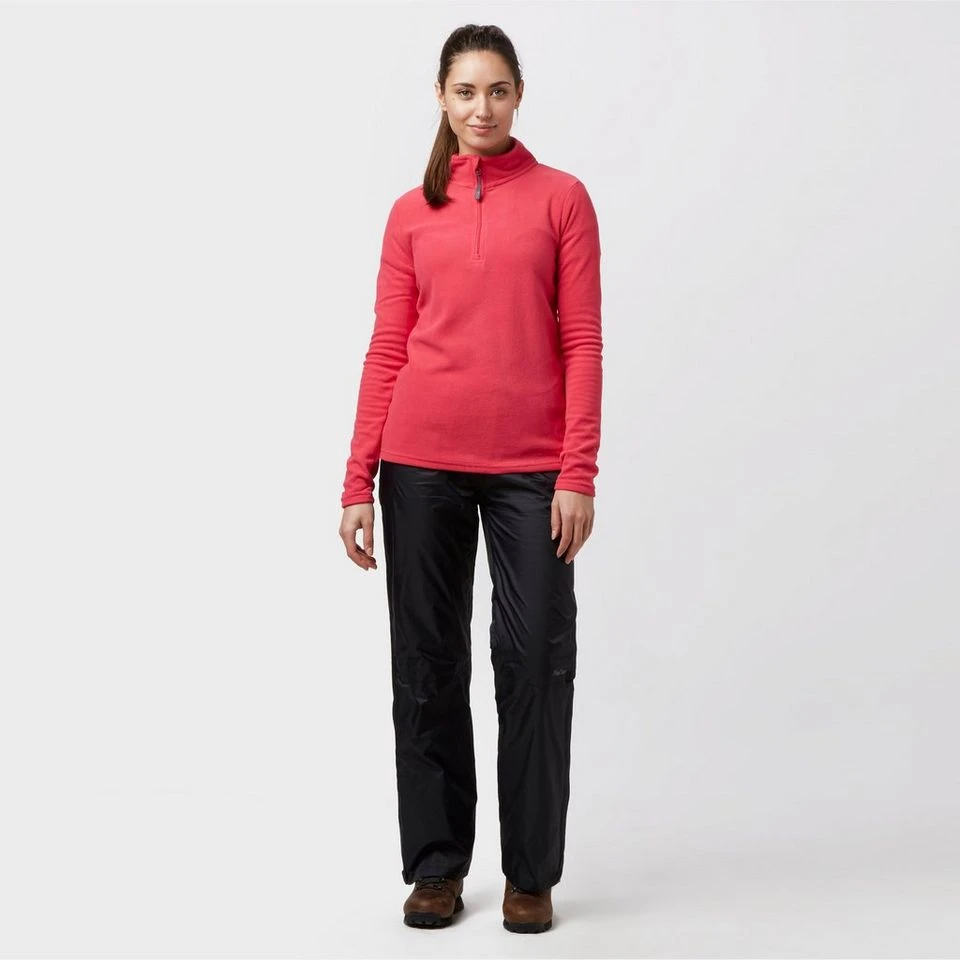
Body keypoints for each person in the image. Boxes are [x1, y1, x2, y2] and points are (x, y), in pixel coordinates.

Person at [338, 23, 603, 934]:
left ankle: (531, 874)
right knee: (426, 665)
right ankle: (436, 867)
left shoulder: (563, 199)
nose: (481, 108)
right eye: (464, 92)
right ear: (442, 100)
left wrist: (577, 469)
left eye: (496, 91)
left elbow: (582, 339)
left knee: (535, 664)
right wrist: (356, 479)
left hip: (533, 470)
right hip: (419, 464)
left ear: (518, 95)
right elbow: (387, 345)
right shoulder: (411, 212)